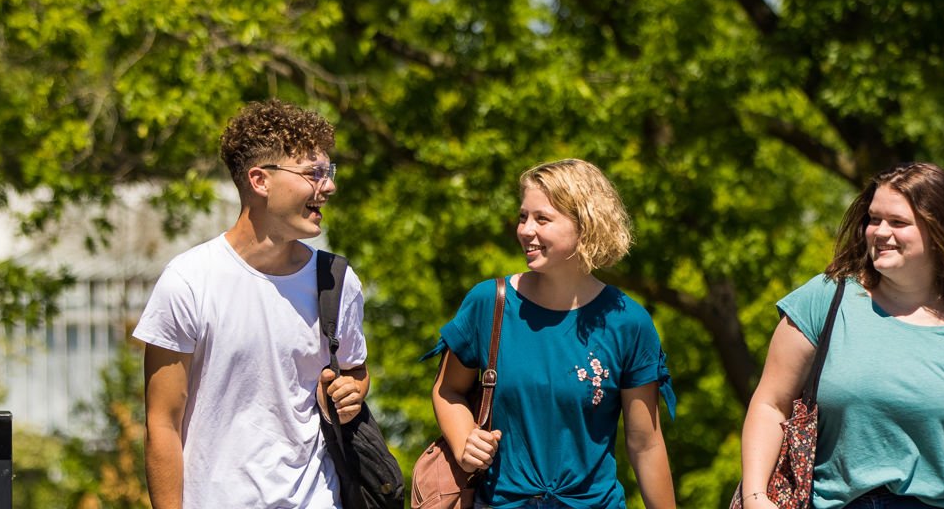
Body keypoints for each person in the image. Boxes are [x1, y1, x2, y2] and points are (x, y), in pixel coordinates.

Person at [739, 162, 944, 509]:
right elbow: (770, 404)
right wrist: (755, 495)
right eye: (874, 219)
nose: (880, 232)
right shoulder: (825, 300)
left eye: (898, 222)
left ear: (940, 233)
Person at [133, 100, 371, 508]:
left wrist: (354, 390)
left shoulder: (336, 281)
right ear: (260, 180)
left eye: (329, 173)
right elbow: (162, 423)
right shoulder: (189, 281)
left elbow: (355, 371)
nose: (328, 186)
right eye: (314, 173)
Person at [427, 159, 678, 509]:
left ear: (586, 225)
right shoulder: (489, 304)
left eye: (542, 219)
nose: (526, 230)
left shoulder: (628, 322)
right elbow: (448, 389)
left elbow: (645, 443)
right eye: (522, 217)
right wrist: (464, 442)